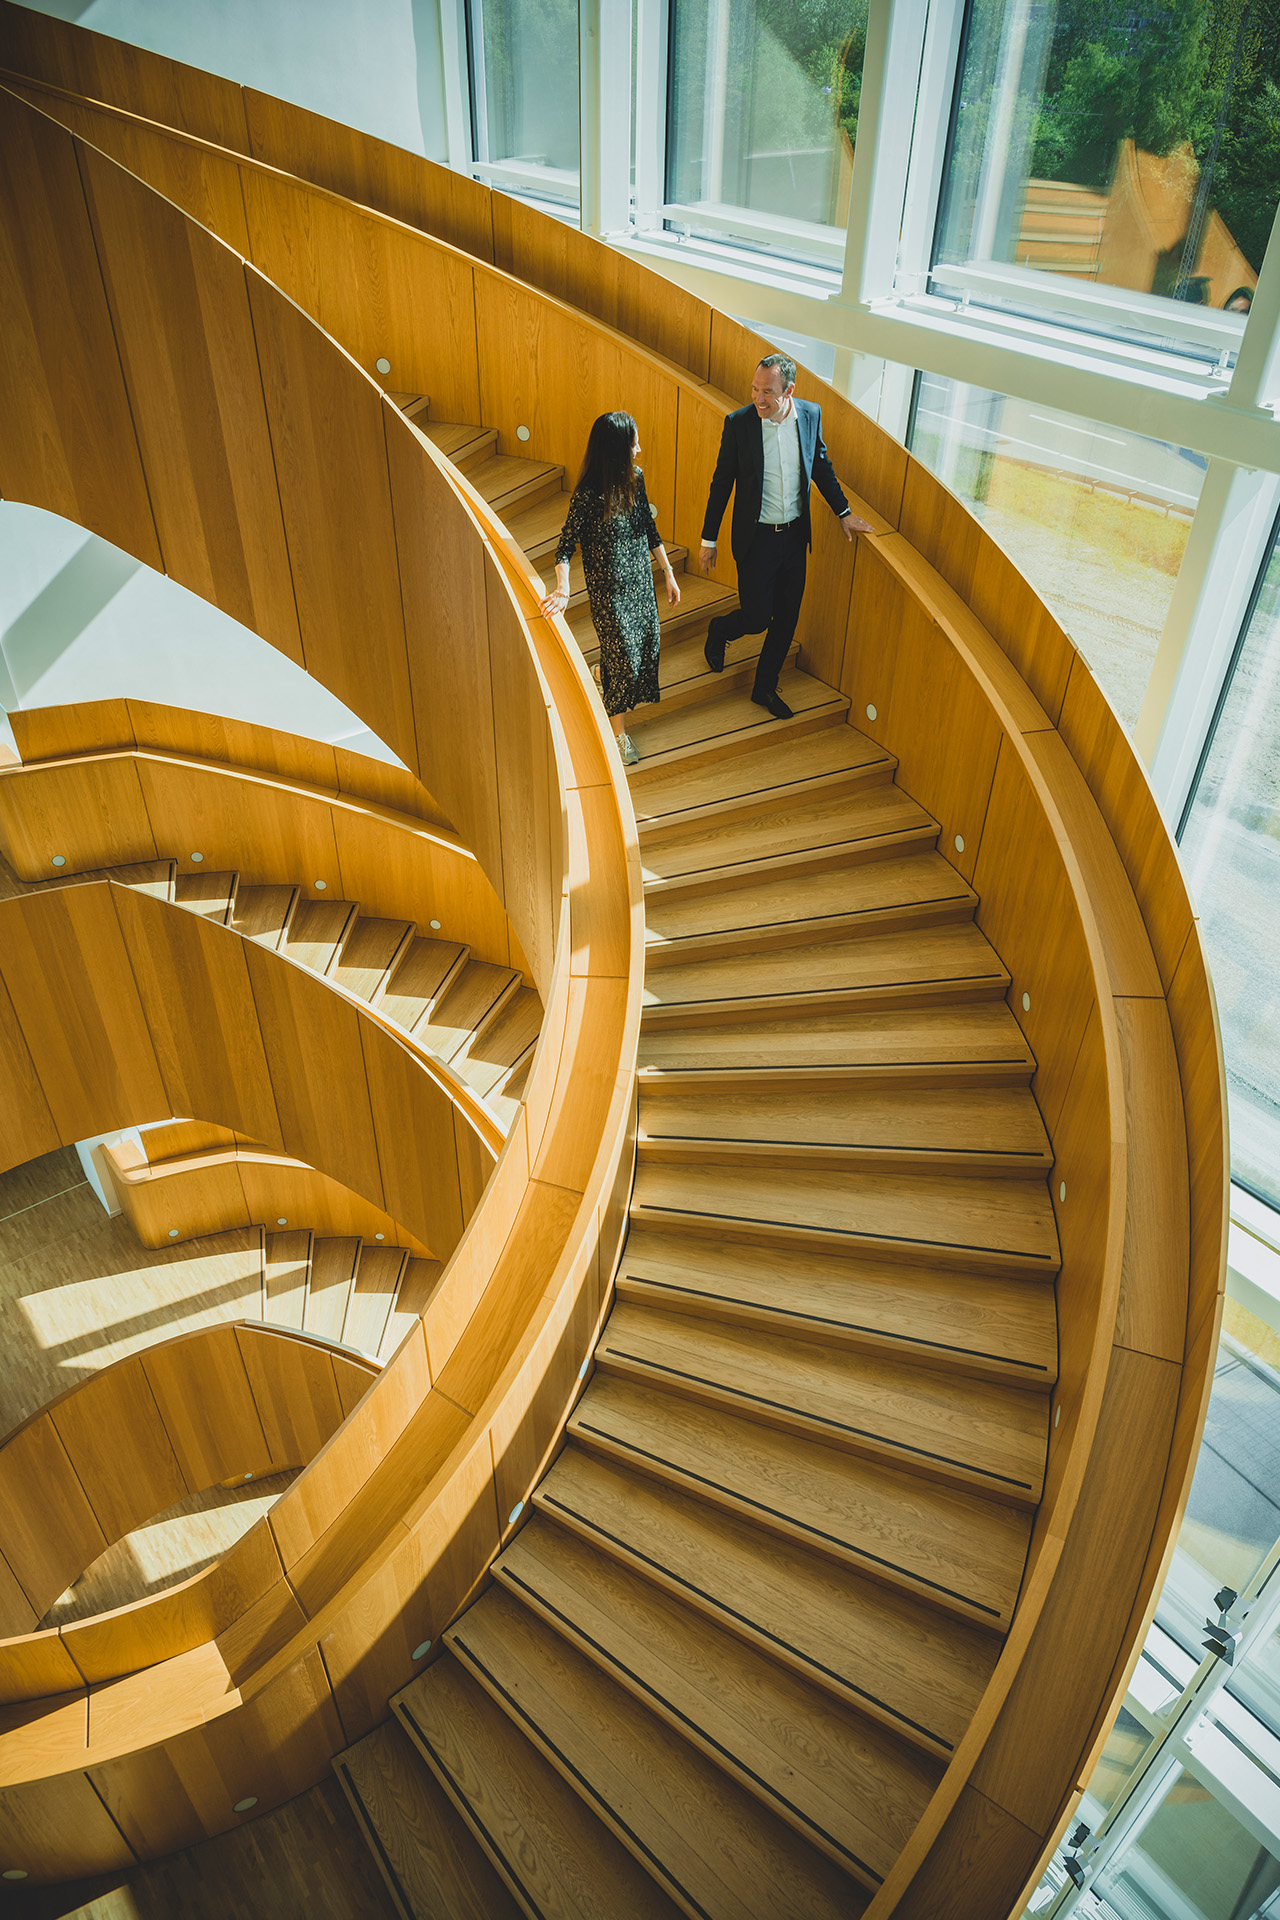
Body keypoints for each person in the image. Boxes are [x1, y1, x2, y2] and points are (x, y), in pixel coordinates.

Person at [698, 353, 872, 719]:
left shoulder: (810, 416)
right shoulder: (739, 424)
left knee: (787, 618)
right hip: (756, 539)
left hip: (793, 538)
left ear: (789, 390)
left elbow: (820, 465)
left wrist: (844, 513)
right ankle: (719, 630)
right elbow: (721, 484)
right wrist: (708, 539)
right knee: (757, 617)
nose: (759, 399)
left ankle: (764, 688)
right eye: (755, 389)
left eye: (768, 392)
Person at [540, 411, 679, 765]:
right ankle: (619, 734)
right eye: (634, 442)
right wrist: (563, 589)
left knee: (647, 646)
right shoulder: (588, 496)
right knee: (626, 660)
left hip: (640, 582)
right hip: (609, 592)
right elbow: (565, 546)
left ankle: (602, 672)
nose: (639, 448)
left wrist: (667, 572)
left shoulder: (636, 477)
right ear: (618, 448)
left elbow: (648, 525)